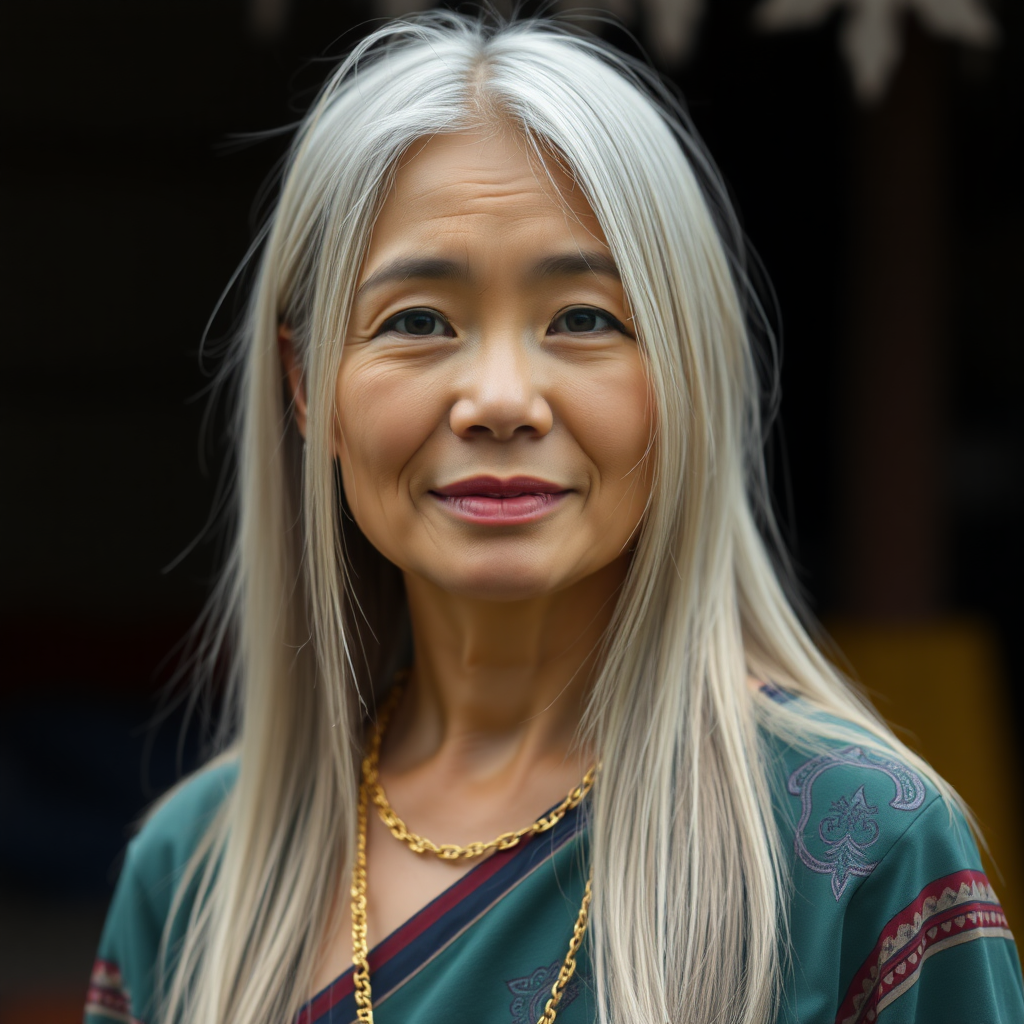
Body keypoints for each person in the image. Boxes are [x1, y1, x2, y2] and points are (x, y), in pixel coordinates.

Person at [84, 13, 1024, 1024]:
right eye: (418, 322)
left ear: (683, 375)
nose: (498, 398)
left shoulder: (860, 848)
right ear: (307, 388)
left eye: (582, 319)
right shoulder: (195, 874)